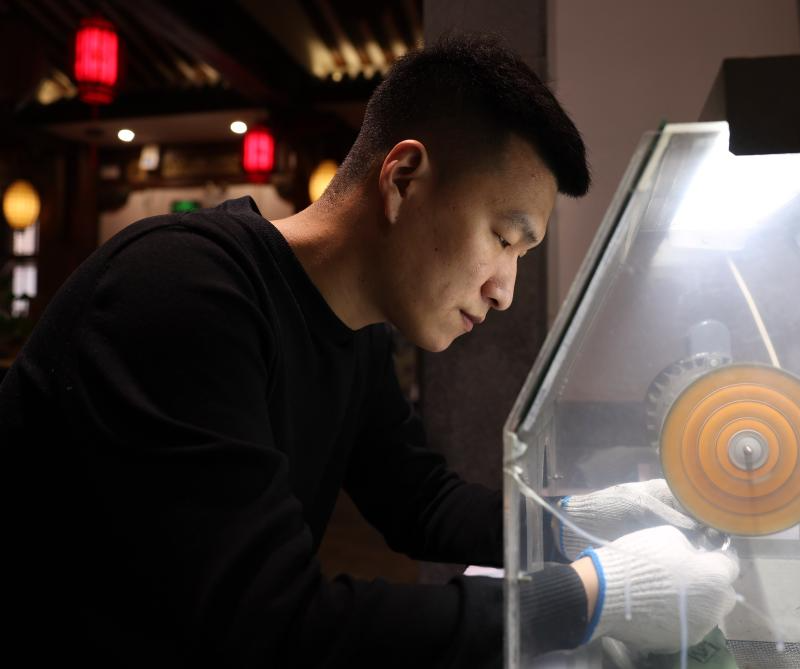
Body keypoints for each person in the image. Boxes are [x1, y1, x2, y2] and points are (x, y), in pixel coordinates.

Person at [0, 33, 738, 668]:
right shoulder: (183, 287)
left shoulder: (355, 334)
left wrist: (577, 518)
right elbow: (271, 624)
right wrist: (588, 597)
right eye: (503, 238)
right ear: (404, 178)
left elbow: (421, 502)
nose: (504, 289)